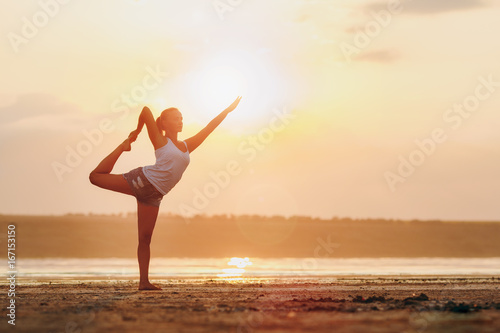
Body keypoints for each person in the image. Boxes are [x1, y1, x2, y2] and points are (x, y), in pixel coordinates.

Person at [89, 96, 242, 290]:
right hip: (142, 181)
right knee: (95, 177)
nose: (180, 120)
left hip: (154, 197)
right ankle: (122, 147)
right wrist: (135, 133)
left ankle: (144, 282)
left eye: (181, 118)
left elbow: (209, 128)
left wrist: (227, 110)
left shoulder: (187, 146)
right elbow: (145, 111)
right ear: (165, 122)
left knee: (145, 239)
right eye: (176, 118)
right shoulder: (161, 141)